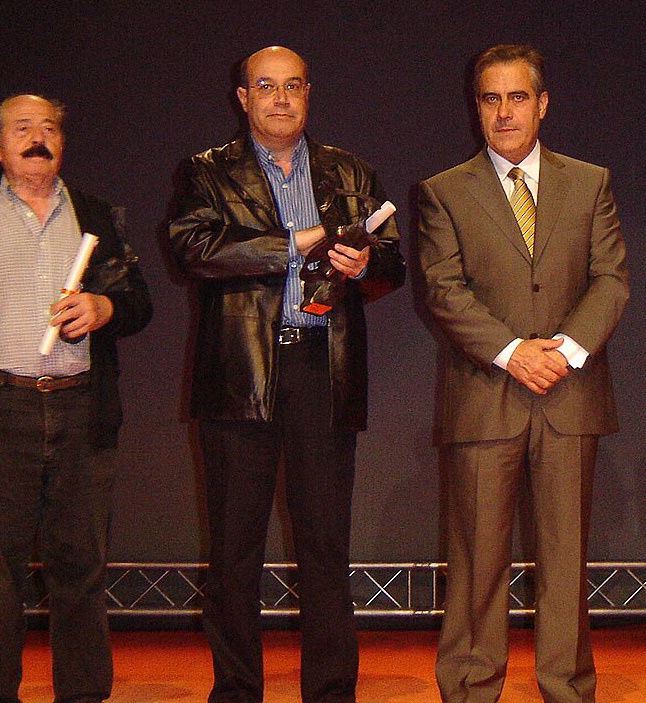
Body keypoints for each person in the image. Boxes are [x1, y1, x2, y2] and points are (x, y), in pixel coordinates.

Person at [167, 46, 405, 703]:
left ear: (308, 93)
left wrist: (367, 264)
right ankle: (237, 690)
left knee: (325, 544)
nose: (280, 98)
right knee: (234, 549)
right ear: (243, 98)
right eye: (266, 86)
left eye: (293, 85)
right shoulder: (207, 170)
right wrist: (296, 243)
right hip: (239, 373)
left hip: (323, 370)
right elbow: (194, 248)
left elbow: (393, 262)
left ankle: (330, 690)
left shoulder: (351, 170)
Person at [0, 94, 152, 703]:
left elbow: (139, 303)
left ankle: (84, 695)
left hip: (82, 411)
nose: (37, 138)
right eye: (21, 129)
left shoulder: (97, 218)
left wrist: (104, 307)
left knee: (83, 574)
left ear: (62, 144)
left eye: (48, 128)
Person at [416, 43, 628, 703]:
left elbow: (611, 279)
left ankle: (567, 689)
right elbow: (444, 290)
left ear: (542, 104)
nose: (504, 112)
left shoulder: (590, 182)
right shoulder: (443, 192)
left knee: (566, 561)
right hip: (486, 398)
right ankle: (471, 689)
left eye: (517, 97)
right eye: (490, 98)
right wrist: (514, 352)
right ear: (476, 107)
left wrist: (563, 351)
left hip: (570, 394)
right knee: (477, 562)